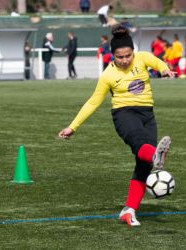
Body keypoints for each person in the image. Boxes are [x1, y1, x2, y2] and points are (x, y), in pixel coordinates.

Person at [58, 25, 174, 227]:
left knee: (143, 165)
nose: (125, 60)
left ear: (133, 52)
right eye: (120, 57)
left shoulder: (142, 58)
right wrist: (72, 126)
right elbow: (93, 102)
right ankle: (156, 155)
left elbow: (156, 62)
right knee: (139, 142)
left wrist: (164, 69)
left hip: (147, 114)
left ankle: (128, 211)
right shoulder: (108, 75)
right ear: (113, 55)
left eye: (128, 55)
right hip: (124, 114)